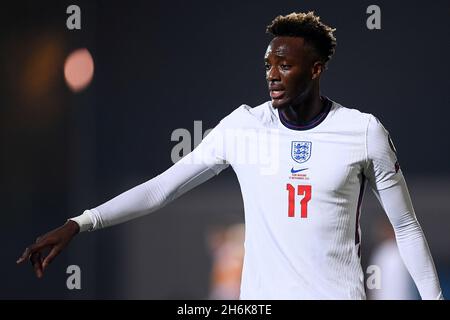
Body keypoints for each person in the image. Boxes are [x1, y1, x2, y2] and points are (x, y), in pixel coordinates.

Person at [17, 11, 443, 300]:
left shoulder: (362, 131)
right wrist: (81, 222)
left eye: (285, 65)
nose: (272, 74)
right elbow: (162, 188)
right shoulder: (242, 127)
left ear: (315, 69)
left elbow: (405, 226)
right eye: (267, 64)